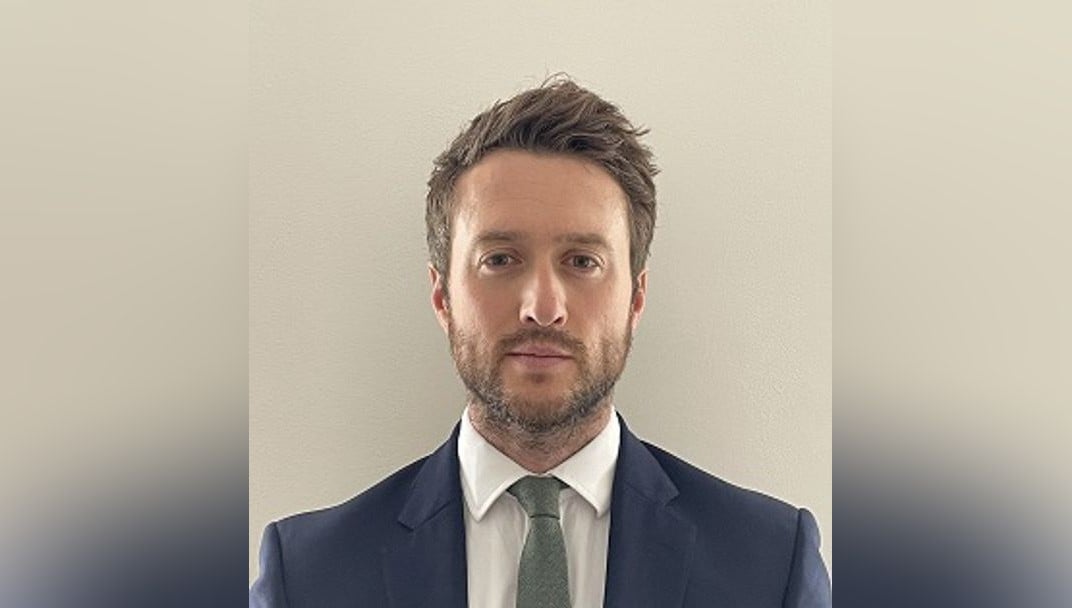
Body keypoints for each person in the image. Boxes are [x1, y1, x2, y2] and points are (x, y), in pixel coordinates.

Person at [250, 76, 831, 607]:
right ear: (442, 296)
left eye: (582, 261)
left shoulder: (770, 566)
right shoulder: (308, 577)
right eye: (500, 259)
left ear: (636, 298)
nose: (543, 308)